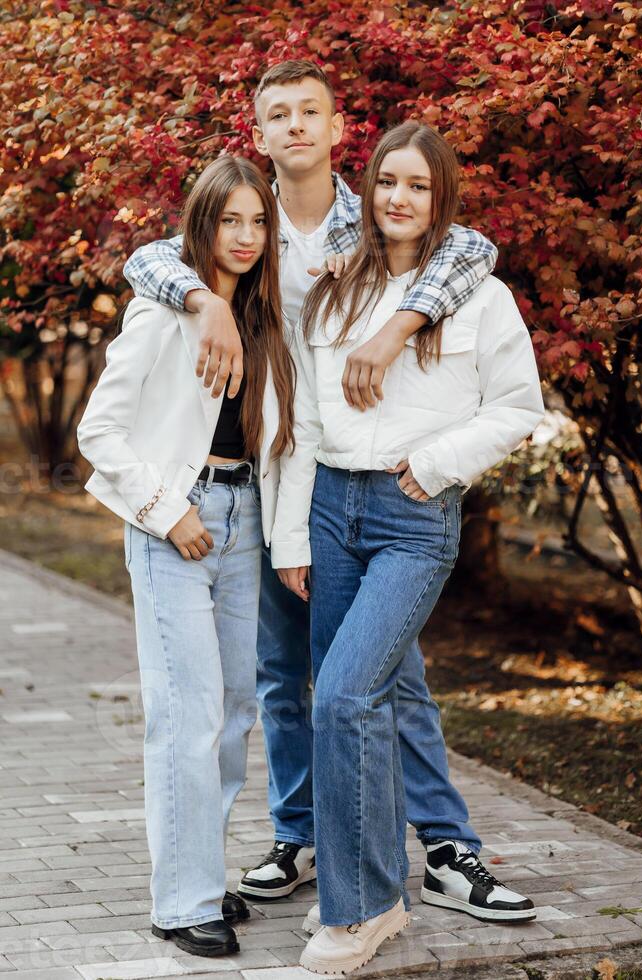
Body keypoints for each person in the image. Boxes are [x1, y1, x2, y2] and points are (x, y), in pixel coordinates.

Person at [123, 61, 532, 922]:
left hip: (360, 474)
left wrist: (395, 327)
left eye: (312, 111)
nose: (297, 126)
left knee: (387, 671)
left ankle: (446, 843)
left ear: (338, 125)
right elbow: (151, 256)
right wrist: (205, 302)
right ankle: (300, 833)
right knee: (281, 668)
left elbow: (472, 247)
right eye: (279, 114)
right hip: (272, 473)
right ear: (260, 130)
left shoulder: (370, 212)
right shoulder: (249, 217)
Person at [271, 120, 546, 975]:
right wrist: (290, 536)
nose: (399, 198)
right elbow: (307, 423)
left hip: (412, 516)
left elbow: (517, 405)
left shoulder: (477, 294)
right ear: (370, 186)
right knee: (368, 701)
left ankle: (353, 912)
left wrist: (434, 464)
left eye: (419, 186)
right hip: (329, 512)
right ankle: (381, 894)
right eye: (388, 180)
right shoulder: (331, 293)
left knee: (345, 697)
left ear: (442, 199)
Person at [77, 156, 295, 959]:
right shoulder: (161, 312)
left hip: (245, 521)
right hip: (178, 524)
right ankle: (182, 900)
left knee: (236, 712)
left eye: (257, 222)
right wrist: (169, 515)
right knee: (187, 714)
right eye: (228, 220)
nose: (244, 237)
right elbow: (98, 433)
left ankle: (199, 869)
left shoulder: (266, 315)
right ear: (201, 225)